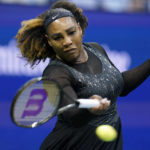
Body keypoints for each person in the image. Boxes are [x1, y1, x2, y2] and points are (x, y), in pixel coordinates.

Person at [15, 0, 150, 150]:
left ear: (79, 29)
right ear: (50, 41)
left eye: (71, 32)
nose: (67, 42)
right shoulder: (55, 73)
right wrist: (89, 108)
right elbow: (71, 112)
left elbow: (120, 85)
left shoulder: (96, 49)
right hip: (72, 145)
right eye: (58, 37)